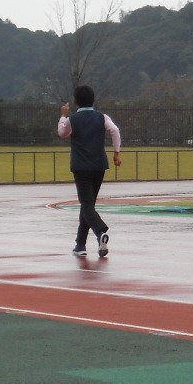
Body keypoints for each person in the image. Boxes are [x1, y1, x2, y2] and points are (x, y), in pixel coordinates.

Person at [57, 85, 122, 257]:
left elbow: (62, 133)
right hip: (99, 165)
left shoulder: (72, 119)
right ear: (93, 100)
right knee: (88, 204)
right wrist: (116, 153)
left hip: (81, 166)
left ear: (76, 101)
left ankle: (100, 232)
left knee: (86, 204)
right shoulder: (102, 117)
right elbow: (115, 131)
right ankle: (80, 244)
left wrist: (63, 116)